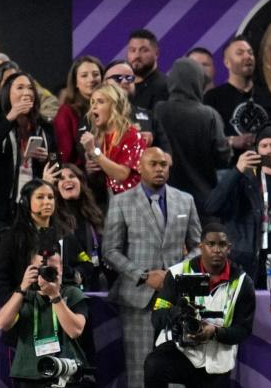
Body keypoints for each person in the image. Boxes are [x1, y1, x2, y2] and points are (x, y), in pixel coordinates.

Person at [103, 147, 202, 388]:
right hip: (138, 299)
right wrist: (143, 276)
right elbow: (110, 250)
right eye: (153, 164)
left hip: (179, 298)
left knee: (180, 367)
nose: (159, 169)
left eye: (164, 164)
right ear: (139, 166)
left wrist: (173, 274)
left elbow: (198, 247)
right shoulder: (121, 201)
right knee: (140, 370)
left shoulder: (185, 200)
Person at [144, 222, 256, 388]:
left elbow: (244, 331)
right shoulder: (176, 274)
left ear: (229, 248)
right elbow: (157, 317)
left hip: (217, 361)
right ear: (201, 246)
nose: (217, 250)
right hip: (181, 352)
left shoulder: (242, 282)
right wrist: (178, 312)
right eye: (211, 244)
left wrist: (215, 332)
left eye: (222, 245)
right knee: (154, 365)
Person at [204, 122, 271, 292]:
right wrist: (237, 171)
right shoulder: (242, 179)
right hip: (244, 264)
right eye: (264, 145)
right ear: (257, 150)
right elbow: (212, 207)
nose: (268, 150)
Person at [0, 238, 91, 388]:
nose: (48, 274)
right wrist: (22, 287)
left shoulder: (72, 293)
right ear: (32, 270)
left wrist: (55, 296)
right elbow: (2, 323)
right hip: (29, 373)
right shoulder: (23, 296)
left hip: (66, 372)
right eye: (43, 269)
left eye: (53, 270)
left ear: (61, 269)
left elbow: (75, 330)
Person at [0, 72, 54, 255]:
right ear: (7, 94)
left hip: (34, 207)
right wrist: (11, 117)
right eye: (19, 88)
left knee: (35, 257)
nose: (26, 92)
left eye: (30, 88)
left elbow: (58, 158)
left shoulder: (44, 126)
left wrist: (48, 157)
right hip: (0, 209)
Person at [154, 58, 231, 212]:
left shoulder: (158, 110)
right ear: (199, 82)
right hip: (202, 202)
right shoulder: (209, 115)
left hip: (164, 200)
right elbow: (223, 158)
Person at [204, 36, 271, 165]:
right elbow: (205, 140)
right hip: (229, 171)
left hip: (264, 169)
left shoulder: (268, 96)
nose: (248, 57)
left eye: (250, 53)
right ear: (227, 63)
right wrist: (232, 141)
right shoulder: (213, 98)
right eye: (240, 53)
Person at [0, 180, 74, 306]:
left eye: (50, 197)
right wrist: (12, 306)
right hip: (24, 305)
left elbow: (84, 264)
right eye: (40, 197)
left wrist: (72, 274)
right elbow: (1, 278)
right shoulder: (12, 237)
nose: (47, 202)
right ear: (26, 202)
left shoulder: (65, 234)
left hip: (61, 303)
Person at [43, 163, 108, 291]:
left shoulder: (95, 214)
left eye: (72, 176)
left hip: (94, 286)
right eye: (61, 179)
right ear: (56, 188)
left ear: (81, 182)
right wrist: (46, 187)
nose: (67, 180)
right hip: (65, 287)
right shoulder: (52, 216)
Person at [81, 84, 146, 194]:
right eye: (92, 102)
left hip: (133, 199)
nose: (94, 107)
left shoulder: (132, 135)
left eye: (100, 102)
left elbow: (122, 175)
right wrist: (91, 167)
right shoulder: (99, 138)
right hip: (109, 199)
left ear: (115, 106)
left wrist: (95, 153)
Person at [105, 60, 171, 152]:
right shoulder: (92, 115)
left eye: (129, 78)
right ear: (104, 83)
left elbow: (167, 155)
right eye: (118, 78)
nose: (125, 81)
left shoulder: (149, 116)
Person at [54, 56, 103, 166]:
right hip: (79, 177)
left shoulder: (111, 108)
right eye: (84, 76)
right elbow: (63, 154)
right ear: (76, 82)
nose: (91, 79)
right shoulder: (66, 112)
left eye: (95, 74)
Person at [127, 29, 169, 110]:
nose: (137, 56)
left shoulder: (165, 87)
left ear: (156, 54)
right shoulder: (123, 86)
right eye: (132, 50)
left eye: (144, 50)